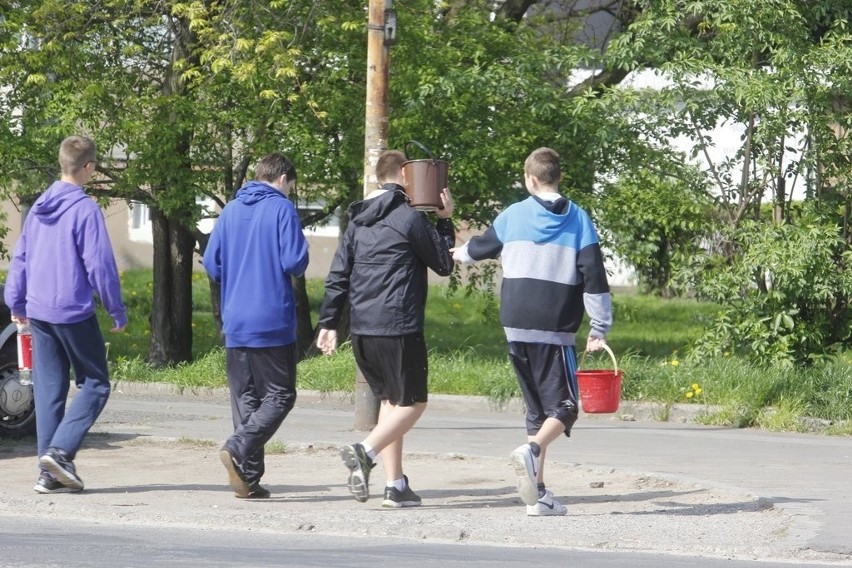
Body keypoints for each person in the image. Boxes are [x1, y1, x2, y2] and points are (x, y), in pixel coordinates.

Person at [452, 147, 612, 516]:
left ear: (530, 179)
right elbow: (594, 277)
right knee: (568, 407)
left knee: (537, 411)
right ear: (558, 177)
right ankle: (532, 450)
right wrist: (599, 327)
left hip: (514, 322)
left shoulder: (513, 214)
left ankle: (537, 494)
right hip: (553, 326)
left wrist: (456, 253)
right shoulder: (578, 219)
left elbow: (479, 248)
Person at [316, 149, 455, 508]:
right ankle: (365, 451)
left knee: (392, 403)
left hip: (362, 329)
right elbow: (443, 263)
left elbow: (338, 274)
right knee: (414, 404)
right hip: (399, 327)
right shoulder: (409, 217)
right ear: (406, 177)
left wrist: (330, 322)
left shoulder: (358, 219)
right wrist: (445, 220)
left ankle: (395, 486)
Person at [4, 135, 128, 494]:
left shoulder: (40, 205)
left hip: (39, 310)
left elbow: (22, 256)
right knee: (96, 383)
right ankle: (59, 452)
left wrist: (16, 303)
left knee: (49, 389)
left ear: (62, 164)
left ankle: (48, 473)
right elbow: (100, 265)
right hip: (72, 311)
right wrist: (116, 308)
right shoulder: (85, 209)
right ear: (88, 167)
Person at [203, 153, 309, 499]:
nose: (289, 192)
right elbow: (294, 262)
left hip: (235, 320)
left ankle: (247, 479)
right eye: (290, 186)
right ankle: (238, 446)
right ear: (282, 179)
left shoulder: (231, 209)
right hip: (271, 321)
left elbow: (212, 264)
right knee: (280, 395)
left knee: (246, 398)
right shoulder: (282, 209)